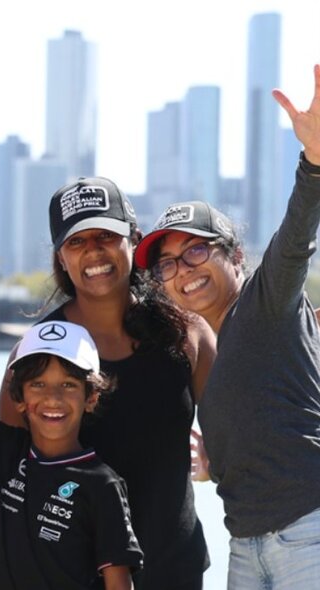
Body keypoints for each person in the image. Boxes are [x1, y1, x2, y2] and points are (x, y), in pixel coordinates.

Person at [132, 65, 320, 590]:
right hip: (246, 545)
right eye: (166, 264)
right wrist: (217, 460)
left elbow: (296, 238)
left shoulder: (265, 300)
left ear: (234, 255)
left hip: (308, 535)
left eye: (195, 250)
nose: (183, 270)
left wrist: (314, 164)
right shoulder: (208, 345)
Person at [0, 176, 216, 589]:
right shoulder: (33, 358)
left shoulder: (189, 335)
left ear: (133, 239)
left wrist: (212, 459)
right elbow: (9, 479)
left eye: (106, 236)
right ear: (61, 257)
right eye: (76, 242)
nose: (93, 251)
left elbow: (239, 441)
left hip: (175, 572)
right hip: (71, 576)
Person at [0, 239, 143, 589]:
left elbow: (119, 583)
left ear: (91, 396)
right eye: (38, 385)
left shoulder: (102, 485)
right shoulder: (5, 451)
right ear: (20, 399)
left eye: (69, 385)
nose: (52, 398)